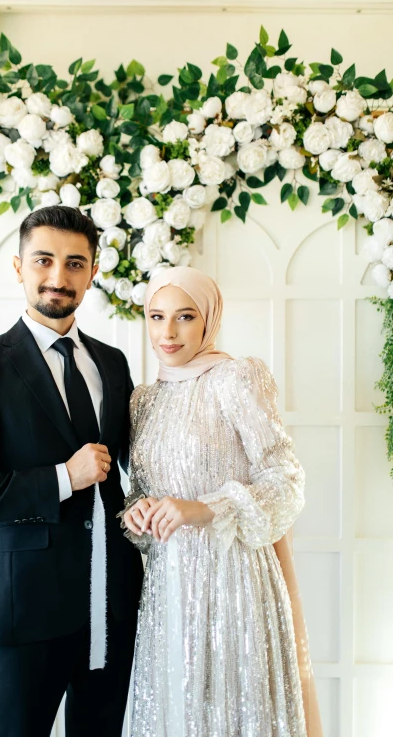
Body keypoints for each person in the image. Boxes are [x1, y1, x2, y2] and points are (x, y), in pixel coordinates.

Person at [0, 205, 144, 737]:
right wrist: (61, 478)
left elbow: (129, 467)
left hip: (113, 609)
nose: (58, 277)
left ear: (93, 272)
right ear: (19, 267)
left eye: (75, 263)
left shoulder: (112, 363)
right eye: (44, 260)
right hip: (28, 614)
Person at [121, 266, 323, 737]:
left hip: (234, 580)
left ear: (208, 319)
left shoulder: (236, 378)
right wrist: (138, 510)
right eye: (156, 316)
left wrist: (206, 508)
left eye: (185, 317)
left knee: (233, 713)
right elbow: (144, 490)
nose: (167, 333)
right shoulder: (144, 400)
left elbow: (286, 480)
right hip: (168, 585)